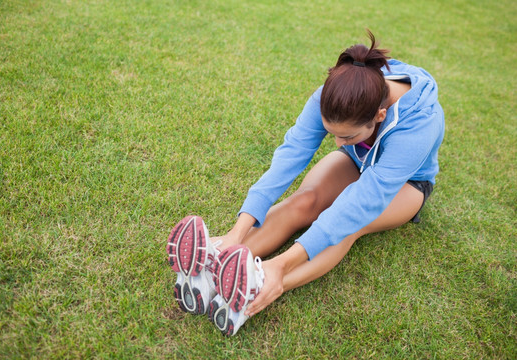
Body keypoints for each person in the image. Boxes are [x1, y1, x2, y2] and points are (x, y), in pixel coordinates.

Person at [166, 30, 445, 336]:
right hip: (358, 160)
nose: (337, 142)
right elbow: (290, 157)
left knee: (347, 225)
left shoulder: (421, 124)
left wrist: (281, 265)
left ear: (379, 115)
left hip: (407, 185)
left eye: (347, 136)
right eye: (332, 132)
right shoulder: (335, 93)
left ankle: (262, 283)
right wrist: (239, 230)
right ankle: (215, 265)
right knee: (304, 201)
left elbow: (362, 202)